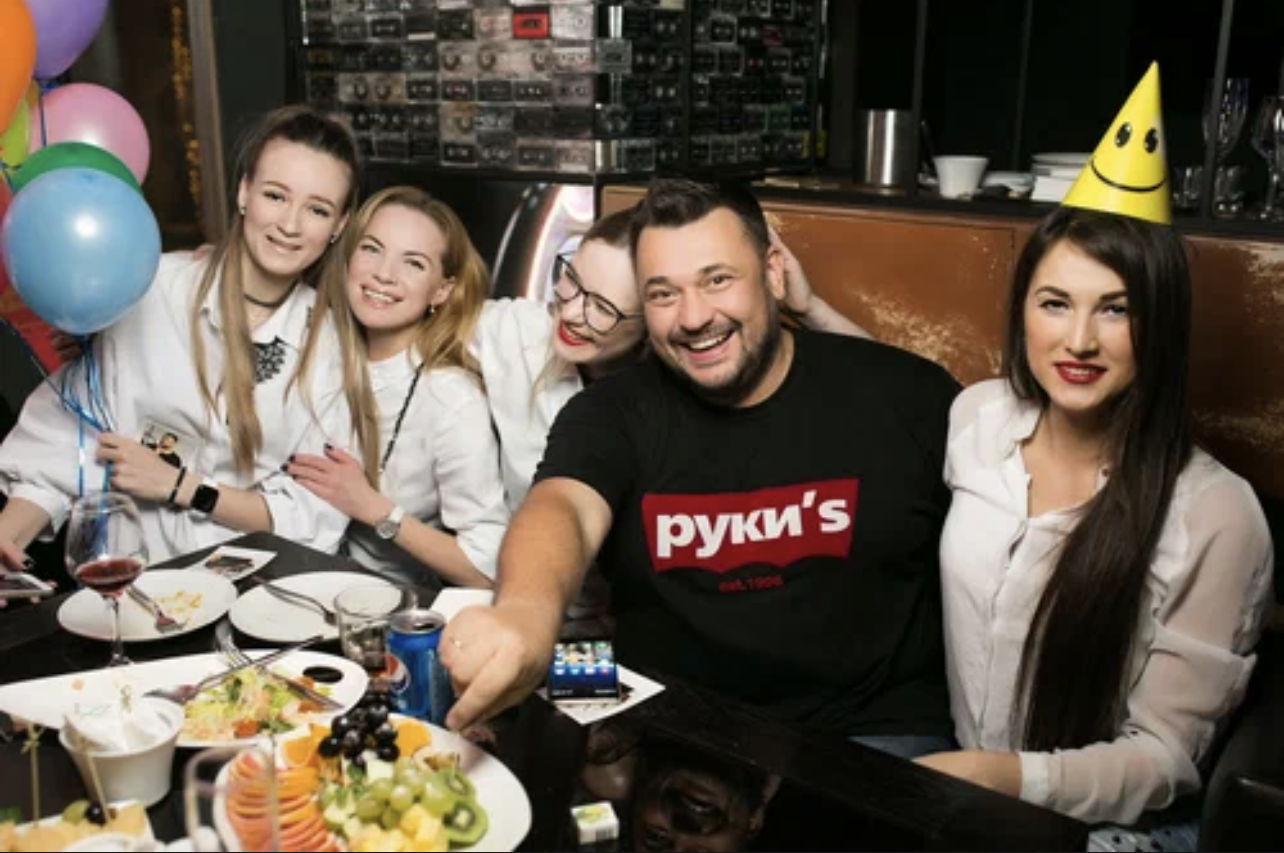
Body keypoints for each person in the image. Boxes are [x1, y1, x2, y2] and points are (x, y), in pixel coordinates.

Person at [441, 178, 959, 758]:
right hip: (669, 720)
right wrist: (523, 615)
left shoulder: (901, 392)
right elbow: (564, 509)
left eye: (717, 280)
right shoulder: (610, 411)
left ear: (772, 273)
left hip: (868, 733)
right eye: (663, 294)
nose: (693, 317)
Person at [915, 205, 1275, 844]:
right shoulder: (977, 417)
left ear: (1161, 325)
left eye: (1116, 309)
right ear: (1022, 311)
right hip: (968, 791)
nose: (1079, 341)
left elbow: (1165, 759)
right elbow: (887, 409)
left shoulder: (1216, 513)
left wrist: (996, 777)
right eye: (1055, 303)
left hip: (1108, 827)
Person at [470, 206, 867, 635]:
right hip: (542, 620)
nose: (569, 313)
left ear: (652, 322)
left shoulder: (694, 387)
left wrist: (809, 309)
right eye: (571, 280)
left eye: (602, 307)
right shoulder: (522, 331)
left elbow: (885, 393)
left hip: (646, 634)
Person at [0, 104, 361, 570]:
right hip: (134, 579)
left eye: (317, 209)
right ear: (244, 191)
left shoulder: (330, 345)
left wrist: (181, 487)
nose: (290, 225)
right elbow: (61, 448)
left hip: (260, 590)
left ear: (339, 226)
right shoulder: (148, 289)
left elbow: (313, 516)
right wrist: (7, 537)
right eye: (275, 196)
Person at [282, 186, 508, 589]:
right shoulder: (315, 345)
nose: (384, 274)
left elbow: (484, 571)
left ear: (442, 290)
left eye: (414, 263)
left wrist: (373, 508)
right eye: (372, 249)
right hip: (300, 578)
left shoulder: (451, 398)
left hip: (393, 603)